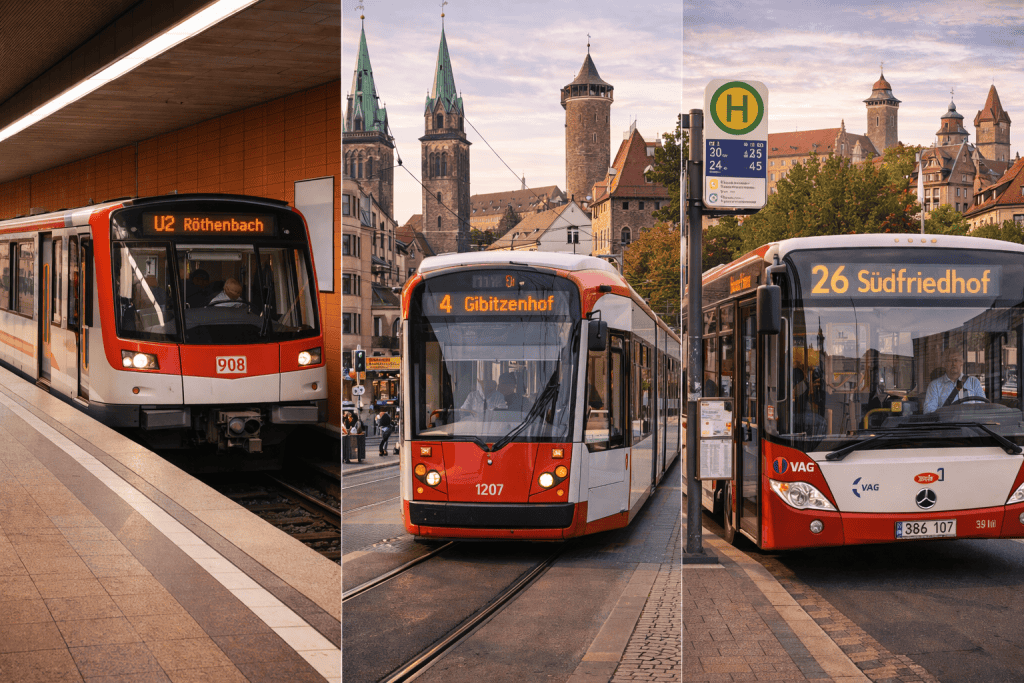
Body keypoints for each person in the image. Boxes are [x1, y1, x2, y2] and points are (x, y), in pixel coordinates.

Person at [924, 348, 986, 413]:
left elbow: (982, 408)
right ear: (944, 364)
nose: (953, 364)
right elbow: (929, 412)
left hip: (971, 422)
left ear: (961, 362)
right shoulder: (935, 386)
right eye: (949, 361)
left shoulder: (974, 382)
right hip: (946, 422)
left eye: (956, 360)